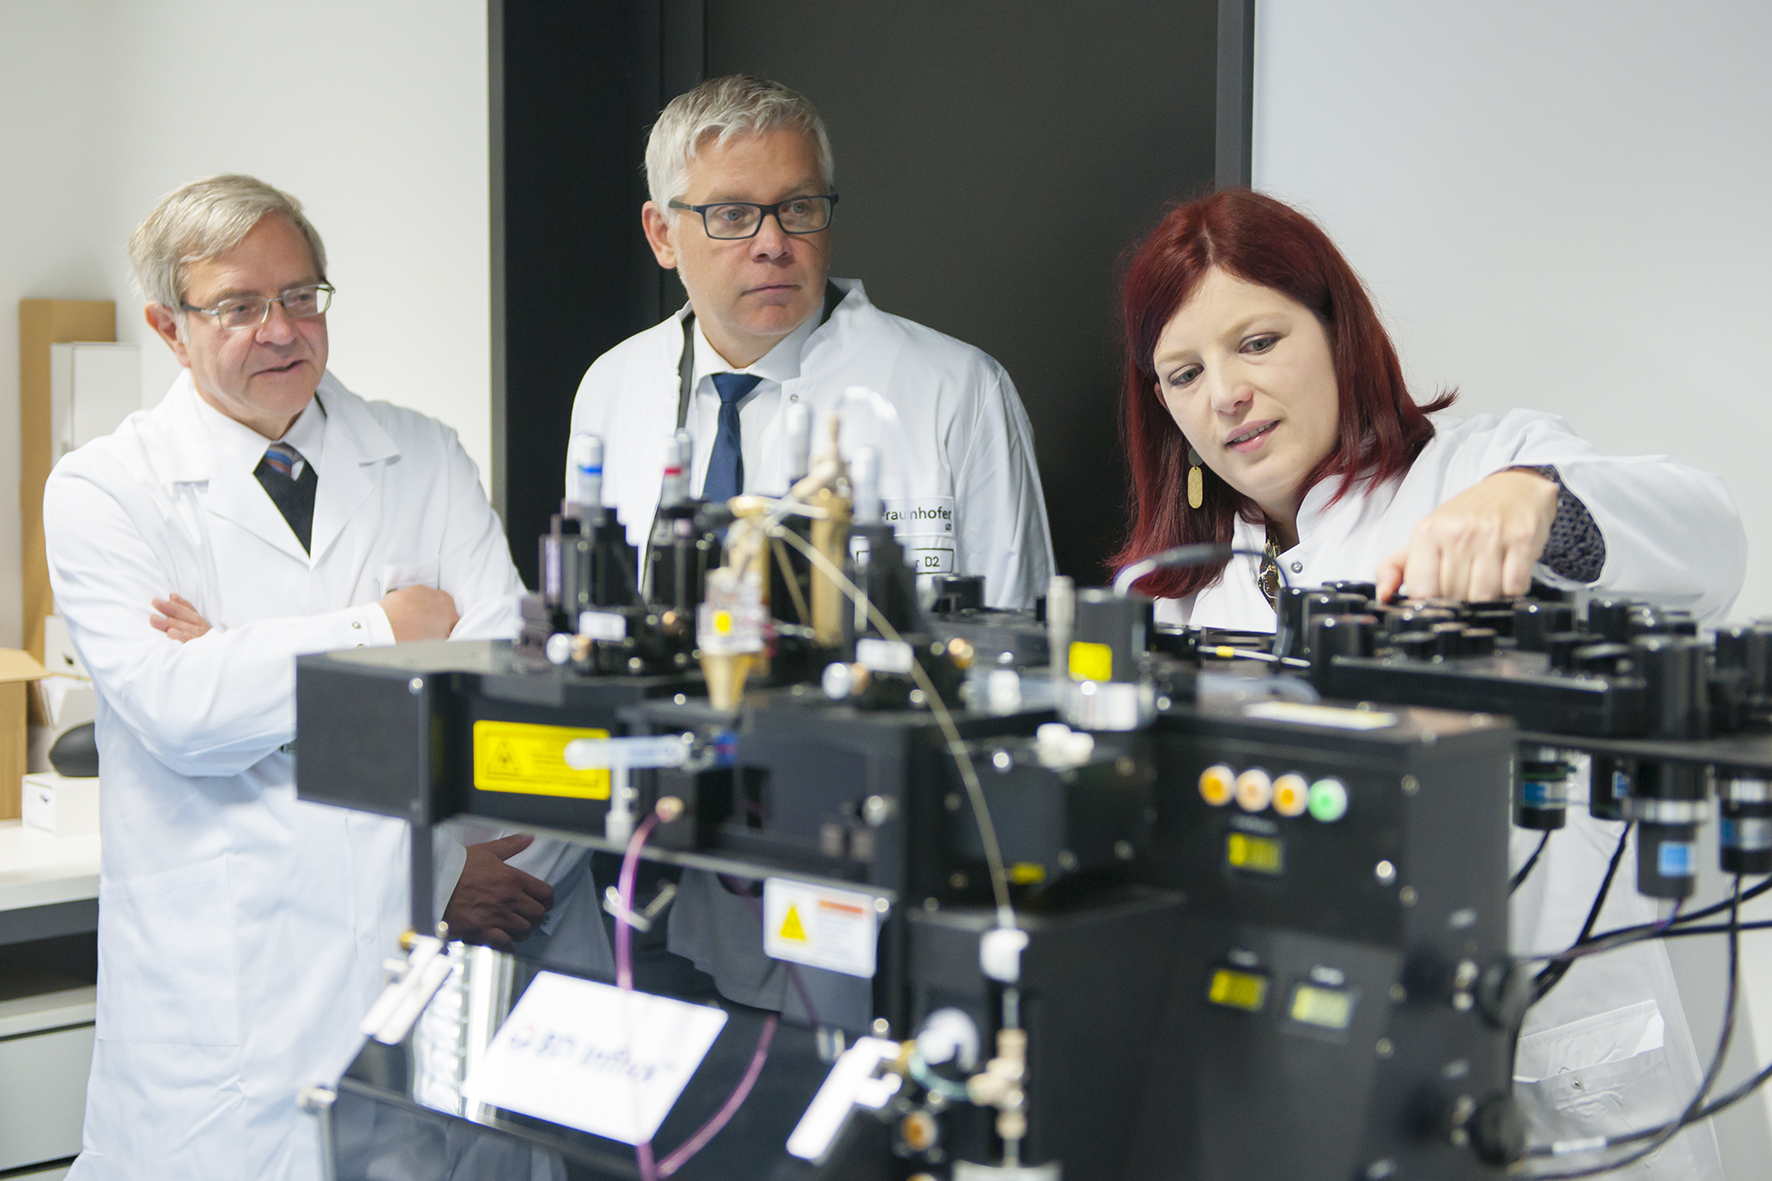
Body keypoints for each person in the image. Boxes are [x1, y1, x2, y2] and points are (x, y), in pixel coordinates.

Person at [1113, 189, 1743, 1179]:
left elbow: (1709, 539)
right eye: (1183, 373)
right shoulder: (1180, 593)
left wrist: (1537, 502)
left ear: (1337, 330)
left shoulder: (1476, 471)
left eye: (1258, 340)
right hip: (1305, 1063)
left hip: (1548, 1065)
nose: (1224, 393)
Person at [44, 175, 553, 1180]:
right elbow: (182, 716)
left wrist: (249, 654)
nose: (281, 329)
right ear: (168, 325)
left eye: (302, 296)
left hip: (409, 970)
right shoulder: (106, 488)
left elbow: (496, 687)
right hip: (221, 1023)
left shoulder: (421, 455)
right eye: (238, 305)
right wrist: (385, 628)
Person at [566, 73, 1054, 610]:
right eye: (733, 215)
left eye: (798, 208)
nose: (773, 244)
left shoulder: (959, 390)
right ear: (663, 235)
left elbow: (1019, 641)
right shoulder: (612, 387)